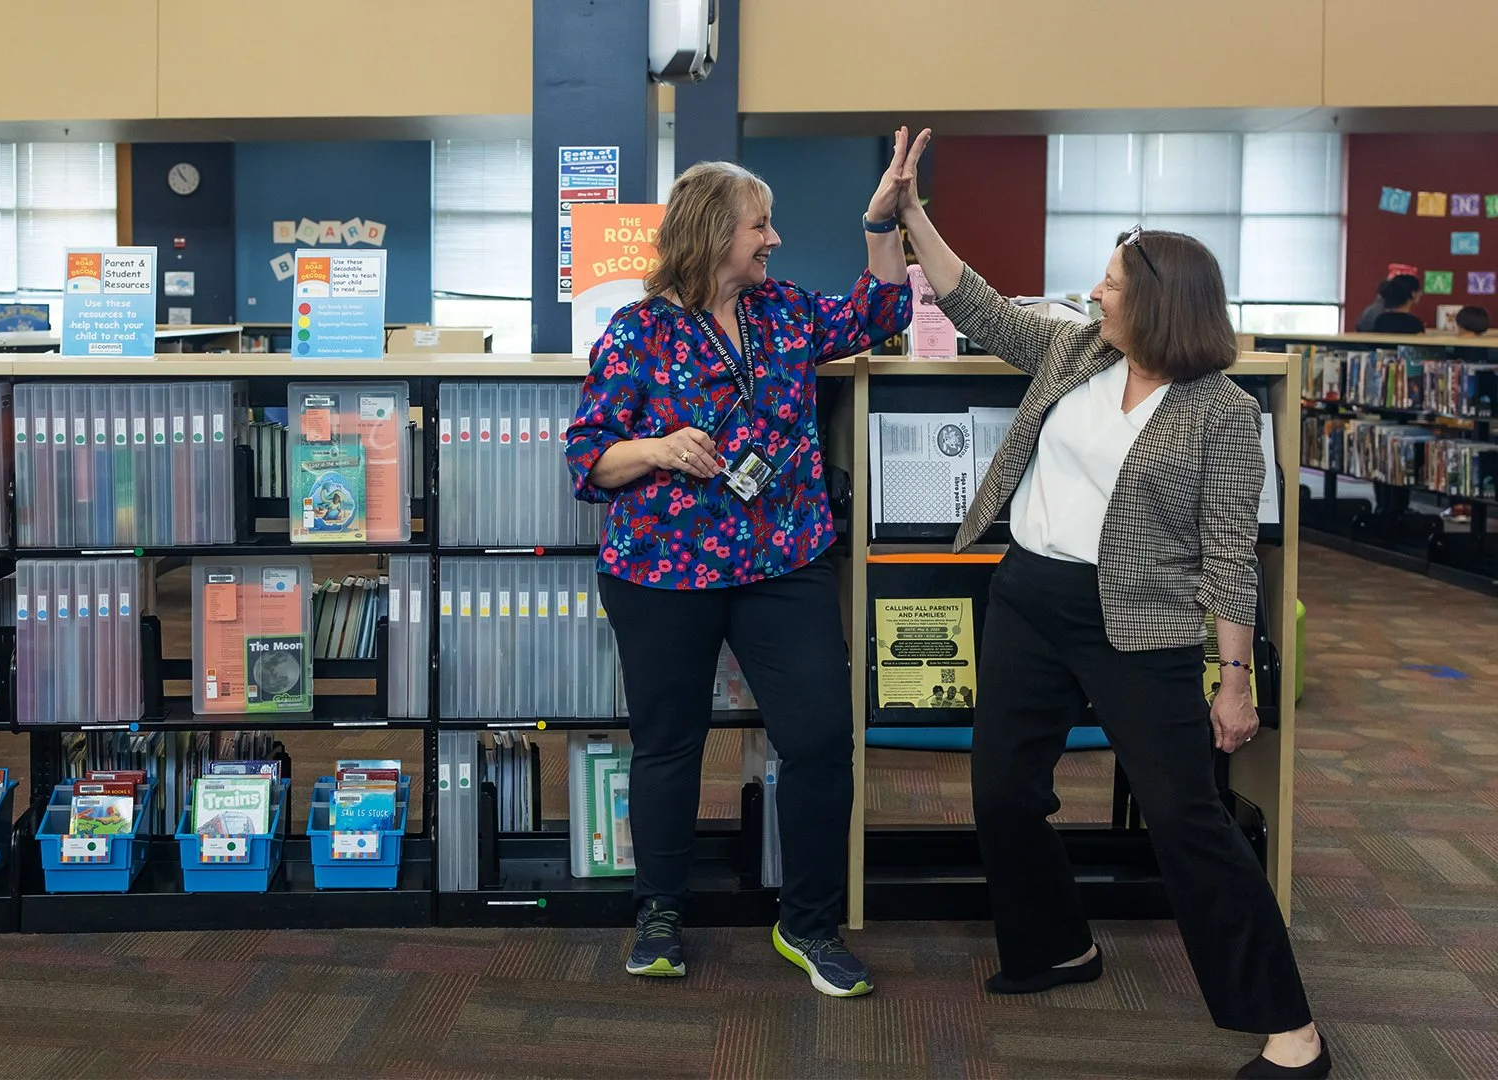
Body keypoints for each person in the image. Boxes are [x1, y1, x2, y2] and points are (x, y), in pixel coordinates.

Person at [883, 130, 1331, 1080]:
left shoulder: (1223, 411)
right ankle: (1056, 946)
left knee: (1184, 817)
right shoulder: (1077, 349)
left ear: (1160, 305)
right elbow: (976, 303)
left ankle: (1290, 1028)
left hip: (1141, 623)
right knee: (1002, 790)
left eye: (1113, 286)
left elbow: (1227, 556)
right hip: (1030, 596)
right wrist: (912, 209)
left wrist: (1234, 679)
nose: (1094, 293)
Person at [564, 136, 916, 997]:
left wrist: (884, 218)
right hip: (661, 569)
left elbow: (883, 311)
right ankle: (659, 914)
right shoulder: (637, 332)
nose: (774, 239)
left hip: (783, 560)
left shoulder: (787, 313)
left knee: (822, 739)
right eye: (761, 225)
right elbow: (587, 461)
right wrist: (653, 446)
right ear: (714, 232)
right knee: (669, 744)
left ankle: (808, 924)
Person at [1354, 272, 1421, 332]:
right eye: (1419, 291)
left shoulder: (1380, 320)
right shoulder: (1414, 324)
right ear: (1413, 294)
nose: (1421, 294)